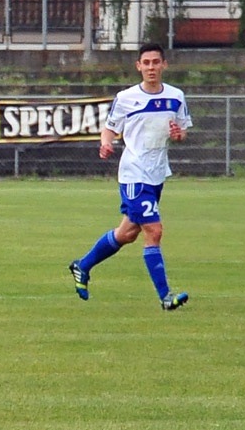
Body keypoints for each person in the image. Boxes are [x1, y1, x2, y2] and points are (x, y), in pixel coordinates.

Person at [69, 43, 191, 311]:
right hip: (134, 173)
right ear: (138, 66)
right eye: (145, 63)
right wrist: (106, 143)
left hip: (157, 173)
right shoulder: (126, 97)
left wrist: (178, 135)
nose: (150, 67)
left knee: (127, 233)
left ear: (164, 65)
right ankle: (165, 297)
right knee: (154, 231)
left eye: (155, 62)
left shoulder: (176, 96)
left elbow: (182, 132)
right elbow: (110, 128)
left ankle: (83, 265)